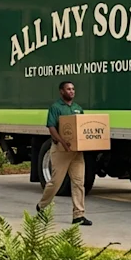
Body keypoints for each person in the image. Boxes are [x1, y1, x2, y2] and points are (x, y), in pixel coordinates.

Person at [36, 81, 92, 226]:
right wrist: (62, 141)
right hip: (61, 150)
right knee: (56, 182)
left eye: (73, 89)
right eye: (68, 89)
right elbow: (52, 127)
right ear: (61, 92)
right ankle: (42, 206)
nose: (72, 91)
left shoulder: (78, 108)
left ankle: (78, 215)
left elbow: (82, 128)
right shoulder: (55, 108)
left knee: (79, 182)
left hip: (76, 153)